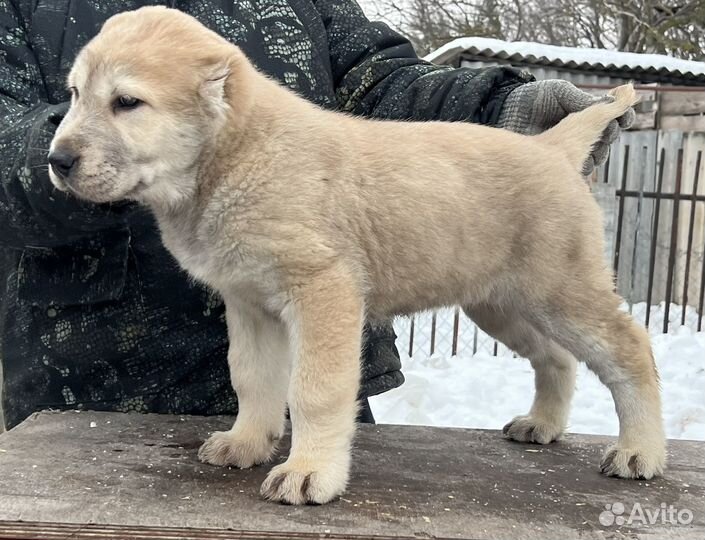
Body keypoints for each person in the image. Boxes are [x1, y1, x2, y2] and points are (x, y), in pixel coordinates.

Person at [0, 0, 632, 431]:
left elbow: (378, 84)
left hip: (319, 399)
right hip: (85, 403)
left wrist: (505, 113)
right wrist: (90, 158)